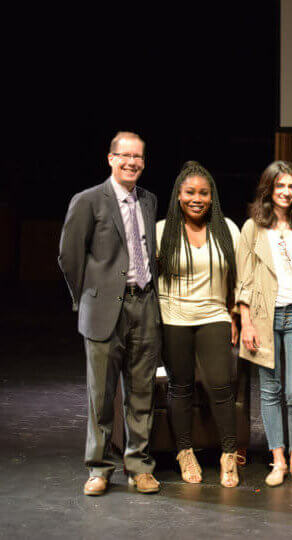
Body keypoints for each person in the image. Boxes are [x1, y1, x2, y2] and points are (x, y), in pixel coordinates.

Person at [58, 131, 162, 496]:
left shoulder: (148, 201)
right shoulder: (88, 200)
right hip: (104, 309)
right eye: (125, 155)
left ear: (144, 163)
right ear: (110, 158)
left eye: (138, 157)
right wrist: (87, 297)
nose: (132, 162)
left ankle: (139, 466)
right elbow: (69, 257)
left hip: (144, 304)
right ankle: (99, 469)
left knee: (141, 392)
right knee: (100, 395)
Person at [236, 161, 292, 487]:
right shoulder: (252, 228)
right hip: (264, 316)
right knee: (270, 392)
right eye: (280, 186)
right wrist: (246, 323)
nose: (286, 192)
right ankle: (277, 461)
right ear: (269, 189)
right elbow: (243, 282)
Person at [156, 161, 241, 488]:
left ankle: (229, 454)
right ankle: (184, 452)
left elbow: (238, 278)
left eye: (203, 193)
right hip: (173, 317)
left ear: (212, 196)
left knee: (220, 386)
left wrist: (234, 314)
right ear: (179, 195)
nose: (197, 198)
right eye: (190, 192)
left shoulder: (227, 229)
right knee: (181, 386)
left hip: (214, 315)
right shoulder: (162, 230)